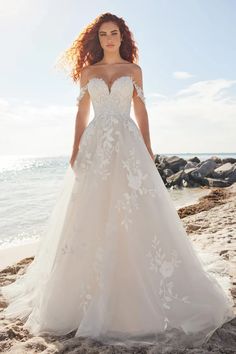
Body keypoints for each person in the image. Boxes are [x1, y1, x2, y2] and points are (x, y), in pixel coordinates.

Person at [1, 12, 234, 350]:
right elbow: (81, 114)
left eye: (114, 33)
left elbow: (141, 112)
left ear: (123, 37)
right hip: (96, 144)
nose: (109, 39)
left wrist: (148, 149)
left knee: (134, 210)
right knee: (89, 211)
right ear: (97, 39)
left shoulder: (133, 71)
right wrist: (75, 149)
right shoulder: (88, 73)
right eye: (104, 34)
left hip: (127, 144)